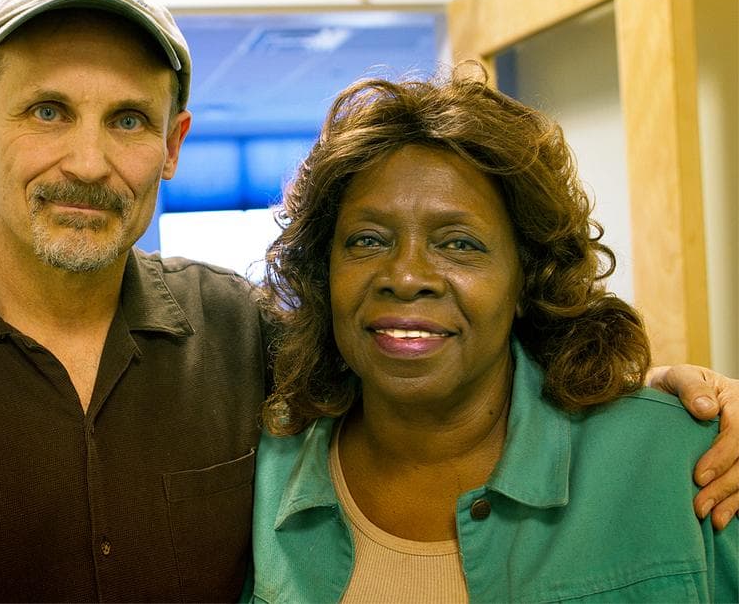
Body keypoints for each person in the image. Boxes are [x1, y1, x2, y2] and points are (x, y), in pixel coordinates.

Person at [0, 0, 736, 603]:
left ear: (172, 146)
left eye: (128, 120)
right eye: (48, 111)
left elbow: (435, 357)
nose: (88, 161)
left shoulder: (248, 338)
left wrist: (686, 399)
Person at [248, 73, 738, 602]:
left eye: (459, 244)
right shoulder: (261, 471)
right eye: (368, 240)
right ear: (325, 273)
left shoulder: (685, 462)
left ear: (528, 276)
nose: (407, 276)